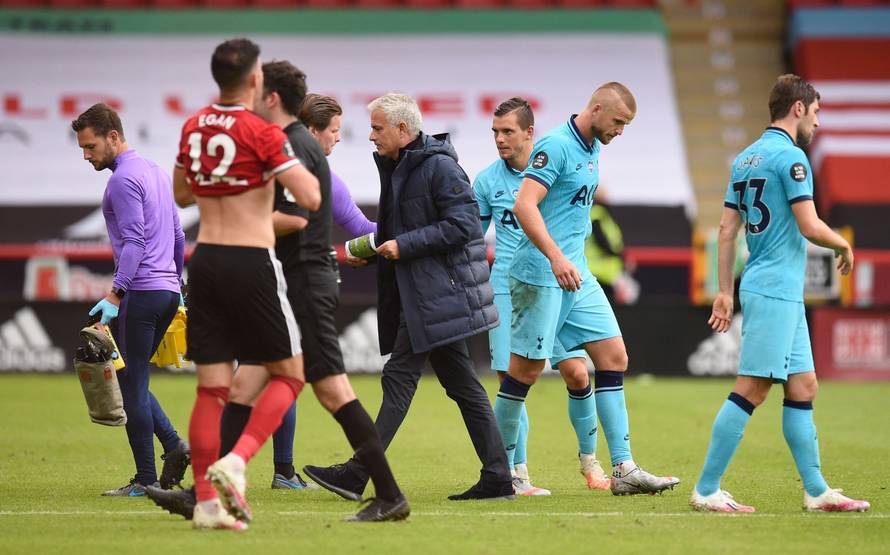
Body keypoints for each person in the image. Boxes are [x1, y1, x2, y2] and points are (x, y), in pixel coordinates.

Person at [217, 61, 408, 522]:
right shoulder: (293, 146)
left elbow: (299, 219)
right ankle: (209, 488)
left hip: (304, 285)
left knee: (332, 391)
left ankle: (388, 495)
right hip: (290, 283)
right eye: (337, 130)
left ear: (272, 98)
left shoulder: (297, 148)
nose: (340, 138)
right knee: (245, 384)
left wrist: (233, 222)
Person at [303, 93, 514, 501]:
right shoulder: (399, 165)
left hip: (437, 295)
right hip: (428, 295)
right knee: (465, 388)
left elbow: (465, 226)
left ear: (403, 130)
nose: (370, 136)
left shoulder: (439, 168)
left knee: (399, 380)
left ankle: (358, 472)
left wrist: (405, 245)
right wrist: (367, 252)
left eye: (378, 128)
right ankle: (498, 477)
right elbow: (393, 231)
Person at [690, 74, 870, 513]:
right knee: (752, 387)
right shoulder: (792, 158)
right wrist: (842, 243)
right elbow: (808, 224)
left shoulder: (745, 158)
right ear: (797, 108)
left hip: (771, 288)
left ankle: (816, 491)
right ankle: (707, 489)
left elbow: (726, 230)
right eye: (816, 112)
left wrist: (724, 291)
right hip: (773, 289)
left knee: (804, 385)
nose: (818, 122)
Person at [493, 83, 679, 496]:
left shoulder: (593, 147)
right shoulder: (556, 146)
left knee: (614, 356)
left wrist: (569, 261)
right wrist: (557, 258)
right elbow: (524, 205)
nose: (620, 131)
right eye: (617, 122)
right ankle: (501, 470)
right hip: (541, 275)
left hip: (577, 275)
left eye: (626, 125)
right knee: (523, 373)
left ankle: (624, 469)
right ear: (596, 109)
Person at [173, 38, 321, 531]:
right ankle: (237, 462)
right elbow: (310, 196)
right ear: (256, 80)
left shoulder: (192, 125)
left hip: (206, 259)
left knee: (211, 389)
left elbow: (181, 193)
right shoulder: (261, 131)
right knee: (291, 373)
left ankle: (206, 504)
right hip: (251, 259)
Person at [475, 97, 609, 496]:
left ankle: (590, 462)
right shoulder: (486, 181)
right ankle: (516, 473)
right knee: (513, 379)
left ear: (529, 133)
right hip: (507, 287)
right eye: (495, 132)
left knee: (579, 372)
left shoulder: (554, 164)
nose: (500, 139)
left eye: (508, 132)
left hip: (557, 282)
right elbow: (469, 238)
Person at [72, 103, 190, 498]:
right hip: (166, 291)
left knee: (132, 386)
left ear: (113, 136)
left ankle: (146, 479)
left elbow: (136, 242)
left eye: (90, 147)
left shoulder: (122, 181)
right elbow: (178, 235)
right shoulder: (155, 171)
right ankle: (173, 446)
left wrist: (116, 292)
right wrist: (176, 283)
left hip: (139, 293)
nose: (87, 156)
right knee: (130, 377)